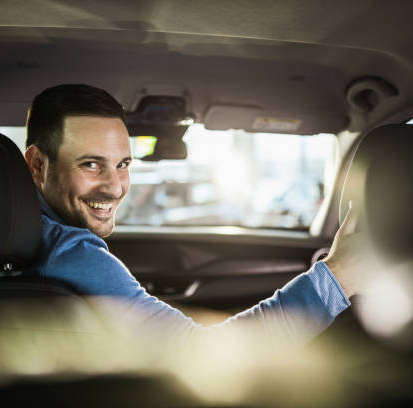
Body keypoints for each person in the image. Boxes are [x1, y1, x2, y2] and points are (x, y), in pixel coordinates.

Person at [23, 84, 361, 347]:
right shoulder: (70, 253)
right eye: (91, 164)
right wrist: (337, 277)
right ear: (38, 164)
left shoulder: (4, 245)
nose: (115, 188)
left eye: (123, 164)